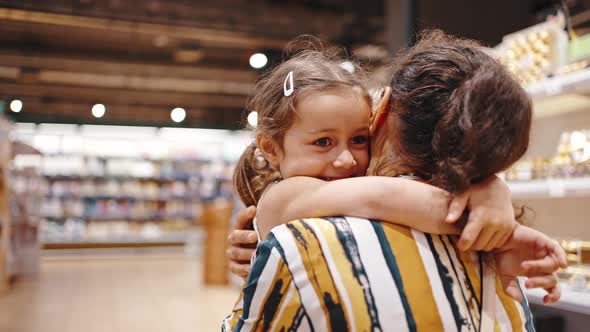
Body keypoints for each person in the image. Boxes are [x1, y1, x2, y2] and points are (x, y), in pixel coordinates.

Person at [223, 31, 566, 331]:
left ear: (380, 111)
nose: (345, 160)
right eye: (323, 142)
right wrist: (493, 208)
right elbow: (383, 196)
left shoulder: (307, 236)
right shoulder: (285, 198)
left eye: (358, 139)